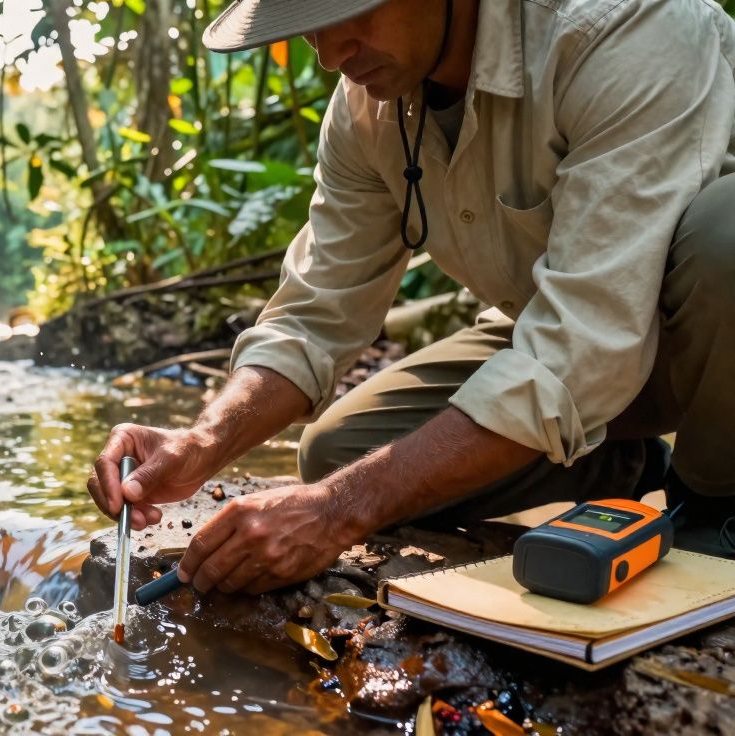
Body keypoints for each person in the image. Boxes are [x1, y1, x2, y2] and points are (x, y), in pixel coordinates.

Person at [87, 0, 735, 596]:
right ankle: (621, 465)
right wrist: (203, 443)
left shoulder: (623, 27)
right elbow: (316, 313)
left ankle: (714, 499)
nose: (330, 51)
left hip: (697, 342)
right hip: (576, 344)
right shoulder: (367, 107)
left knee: (726, 237)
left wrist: (338, 511)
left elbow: (586, 339)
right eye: (310, 23)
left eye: (351, 9)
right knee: (338, 455)